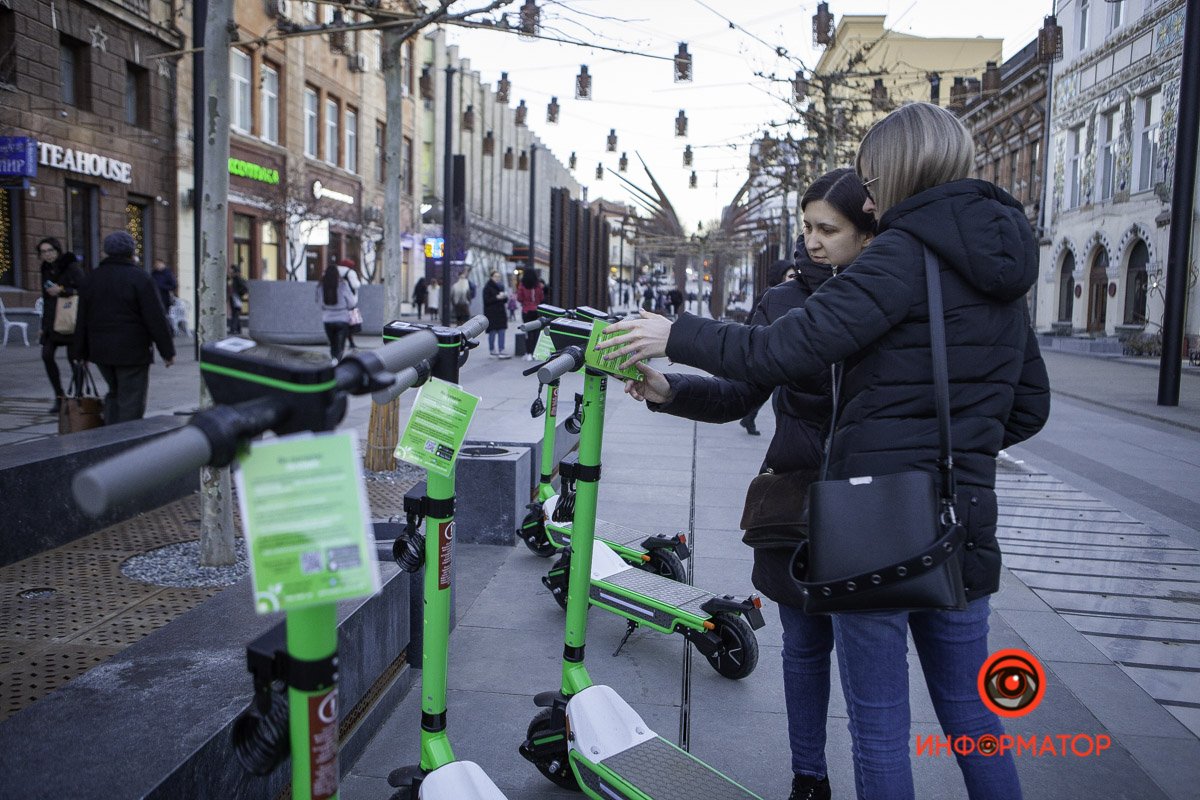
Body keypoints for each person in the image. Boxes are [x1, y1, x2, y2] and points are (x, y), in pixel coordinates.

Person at [602, 102, 1050, 800]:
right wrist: (947, 452)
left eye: (873, 179)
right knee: (973, 720)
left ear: (902, 171)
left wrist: (674, 332)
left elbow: (783, 349)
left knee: (879, 727)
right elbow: (1027, 406)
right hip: (966, 524)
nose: (870, 196)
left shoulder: (904, 253)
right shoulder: (1002, 265)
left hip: (879, 533)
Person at [625, 168, 877, 800]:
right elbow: (742, 393)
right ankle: (808, 778)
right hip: (793, 497)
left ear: (867, 229)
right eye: (806, 227)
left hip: (870, 500)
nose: (813, 241)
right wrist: (668, 389)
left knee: (869, 658)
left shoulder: (886, 297)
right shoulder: (784, 302)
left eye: (830, 228)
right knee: (802, 649)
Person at [74, 231, 176, 425]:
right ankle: (125, 443)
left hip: (101, 350)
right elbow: (155, 318)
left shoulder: (91, 278)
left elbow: (82, 319)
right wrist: (167, 351)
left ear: (107, 251)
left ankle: (110, 436)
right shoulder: (140, 278)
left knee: (113, 392)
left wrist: (80, 352)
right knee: (131, 399)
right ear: (131, 252)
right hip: (132, 351)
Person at [739, 258, 799, 437]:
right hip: (769, 349)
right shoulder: (771, 295)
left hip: (784, 351)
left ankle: (749, 417)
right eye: (790, 275)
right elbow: (753, 319)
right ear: (781, 277)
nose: (794, 278)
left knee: (771, 390)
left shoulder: (796, 294)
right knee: (774, 391)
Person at [37, 237, 85, 413]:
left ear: (57, 250)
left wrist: (63, 290)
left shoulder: (71, 266)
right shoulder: (45, 269)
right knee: (46, 355)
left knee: (75, 360)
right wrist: (43, 325)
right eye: (43, 252)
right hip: (51, 321)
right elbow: (46, 299)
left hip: (70, 320)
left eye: (50, 250)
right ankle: (60, 396)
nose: (47, 254)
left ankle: (78, 397)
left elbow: (84, 289)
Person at [316, 260, 356, 359]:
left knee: (333, 345)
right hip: (342, 319)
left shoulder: (321, 286)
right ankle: (337, 364)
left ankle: (333, 362)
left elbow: (320, 304)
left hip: (328, 319)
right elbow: (352, 302)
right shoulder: (342, 285)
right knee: (340, 346)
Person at [517, 268, 545, 361]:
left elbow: (519, 298)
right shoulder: (538, 286)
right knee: (536, 333)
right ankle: (535, 353)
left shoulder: (522, 285)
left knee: (528, 333)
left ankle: (529, 353)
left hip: (526, 311)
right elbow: (541, 297)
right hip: (536, 310)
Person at [483, 270, 511, 358]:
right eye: (496, 276)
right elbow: (486, 301)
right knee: (493, 332)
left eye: (499, 276)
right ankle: (492, 350)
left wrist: (505, 297)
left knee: (502, 331)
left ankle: (501, 349)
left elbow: (504, 301)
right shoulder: (487, 287)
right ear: (491, 277)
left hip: (501, 313)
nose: (497, 278)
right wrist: (496, 297)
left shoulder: (501, 286)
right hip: (492, 314)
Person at [335, 258, 362, 347]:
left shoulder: (335, 271)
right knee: (350, 322)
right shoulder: (350, 272)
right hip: (349, 300)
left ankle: (341, 341)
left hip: (337, 299)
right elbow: (355, 285)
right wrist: (358, 282)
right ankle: (350, 342)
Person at [227, 265, 249, 334]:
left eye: (231, 271)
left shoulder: (237, 279)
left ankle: (233, 329)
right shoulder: (232, 278)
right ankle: (239, 329)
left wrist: (239, 294)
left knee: (235, 314)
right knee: (235, 314)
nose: (230, 272)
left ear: (235, 272)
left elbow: (244, 288)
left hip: (236, 298)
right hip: (233, 298)